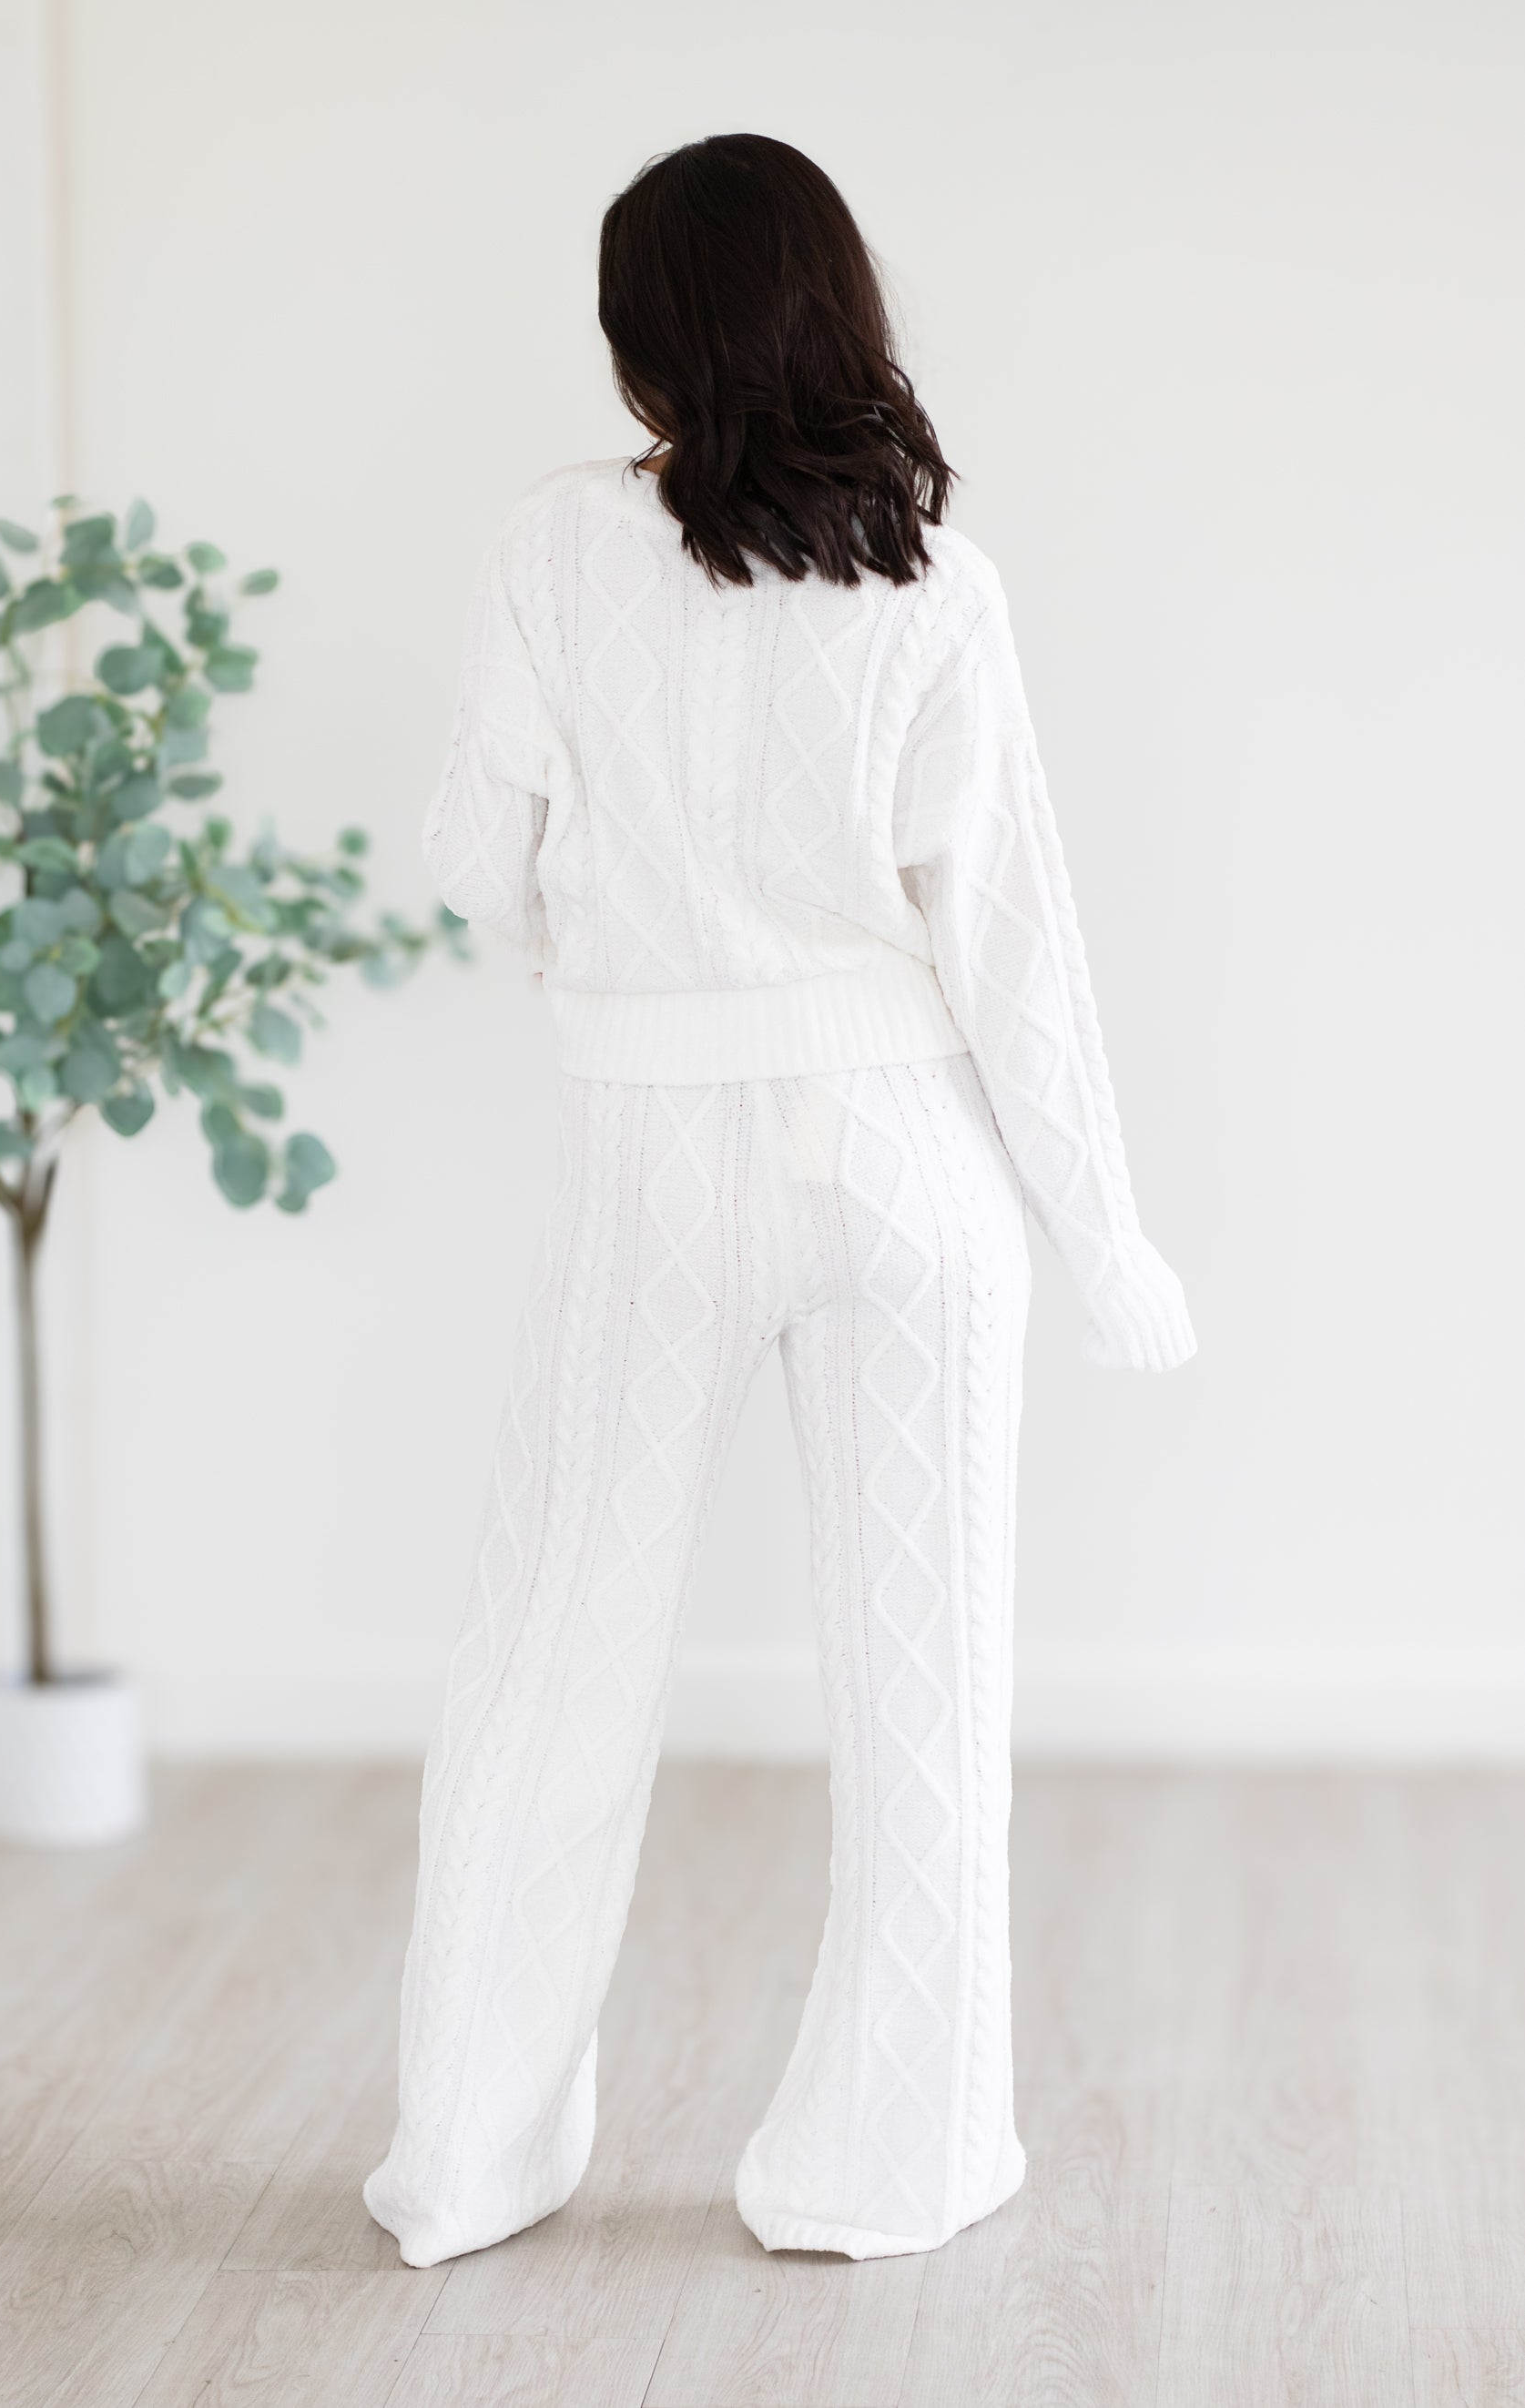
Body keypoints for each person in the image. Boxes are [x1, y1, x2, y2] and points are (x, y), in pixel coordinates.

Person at [363, 131, 1195, 2271]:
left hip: (651, 1156)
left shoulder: (557, 550)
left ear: (645, 342)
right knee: (929, 1694)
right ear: (839, 313)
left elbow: (463, 863)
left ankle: (467, 2161)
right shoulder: (936, 581)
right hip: (908, 1162)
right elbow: (1015, 948)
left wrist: (592, 931)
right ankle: (895, 2163)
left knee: (547, 1666)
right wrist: (1107, 1240)